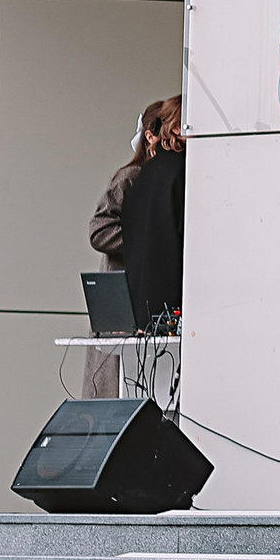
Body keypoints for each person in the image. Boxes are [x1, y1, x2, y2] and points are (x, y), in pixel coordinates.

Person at [85, 96, 175, 394]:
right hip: (122, 295)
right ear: (151, 137)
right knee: (118, 384)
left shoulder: (161, 179)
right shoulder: (131, 177)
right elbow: (99, 230)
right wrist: (146, 239)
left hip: (142, 293)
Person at [119, 95, 186, 334]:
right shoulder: (184, 171)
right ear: (177, 127)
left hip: (143, 314)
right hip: (178, 310)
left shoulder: (143, 176)